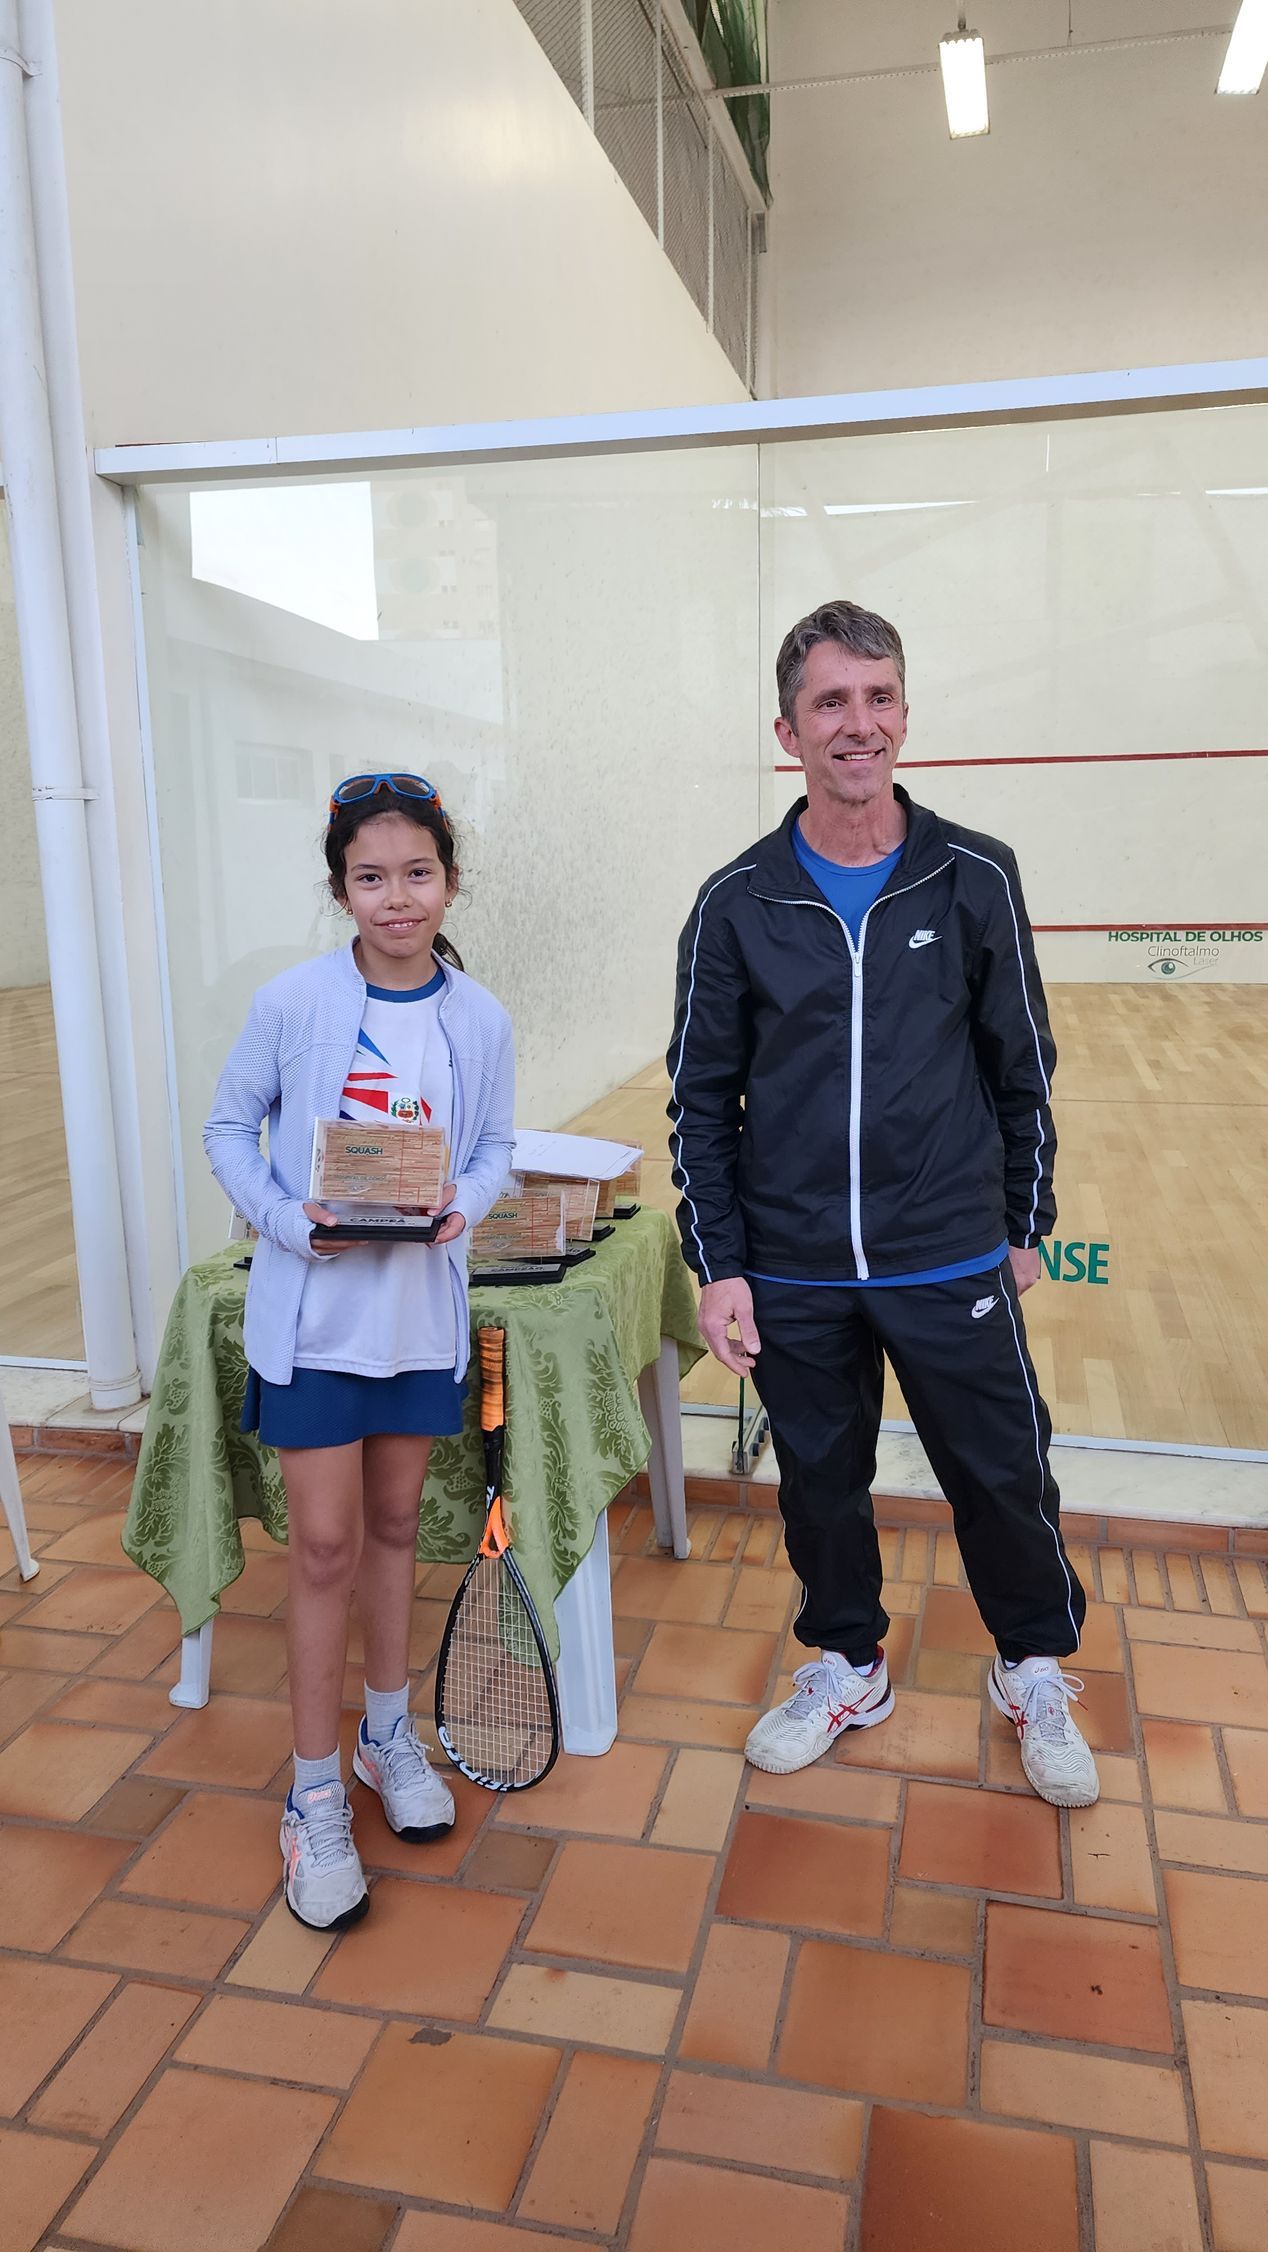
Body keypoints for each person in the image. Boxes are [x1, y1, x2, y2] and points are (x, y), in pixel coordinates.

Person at [667, 601, 1098, 1810]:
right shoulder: (735, 901)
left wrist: (1021, 1223)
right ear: (788, 730)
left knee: (1001, 1473)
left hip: (944, 1248)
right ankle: (848, 1665)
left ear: (902, 713)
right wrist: (720, 1263)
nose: (856, 724)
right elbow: (698, 1097)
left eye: (876, 697)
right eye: (829, 702)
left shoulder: (972, 875)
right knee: (818, 1481)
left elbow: (1022, 1061)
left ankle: (1029, 1666)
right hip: (793, 1261)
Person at [205, 773, 514, 1927]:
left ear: (449, 880)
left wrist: (464, 1204)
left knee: (393, 1528)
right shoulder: (291, 1002)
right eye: (370, 877)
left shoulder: (478, 1018)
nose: (396, 897)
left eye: (416, 872)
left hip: (415, 1322)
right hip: (315, 1327)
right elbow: (228, 1126)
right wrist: (285, 1219)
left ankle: (387, 1735)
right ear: (341, 889)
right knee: (325, 1546)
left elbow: (491, 1146)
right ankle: (312, 1792)